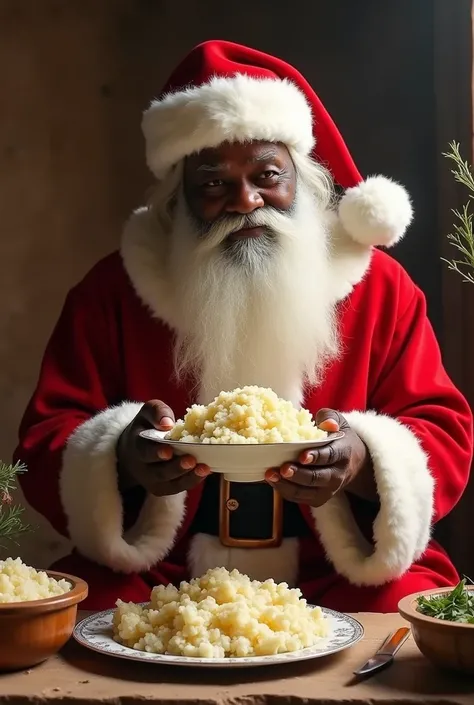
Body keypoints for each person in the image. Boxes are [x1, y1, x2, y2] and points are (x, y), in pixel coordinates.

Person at [14, 40, 473, 612]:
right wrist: (122, 459)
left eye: (267, 176)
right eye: (214, 184)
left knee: (412, 618)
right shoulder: (115, 289)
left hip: (335, 567)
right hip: (163, 571)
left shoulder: (378, 287)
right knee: (81, 614)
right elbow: (45, 435)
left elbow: (440, 426)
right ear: (178, 197)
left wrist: (361, 458)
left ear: (301, 180)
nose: (246, 201)